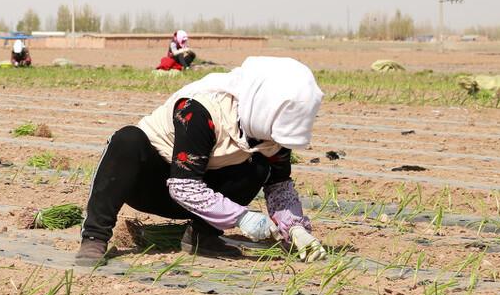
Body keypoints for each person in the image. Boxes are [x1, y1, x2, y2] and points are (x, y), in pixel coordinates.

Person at [75, 56, 327, 265]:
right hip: (154, 185)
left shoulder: (270, 136)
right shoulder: (199, 110)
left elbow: (280, 184)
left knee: (259, 166)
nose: (277, 140)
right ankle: (95, 238)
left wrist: (295, 228)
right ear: (266, 107)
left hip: (205, 194)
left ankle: (202, 237)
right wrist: (242, 218)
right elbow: (183, 186)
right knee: (127, 139)